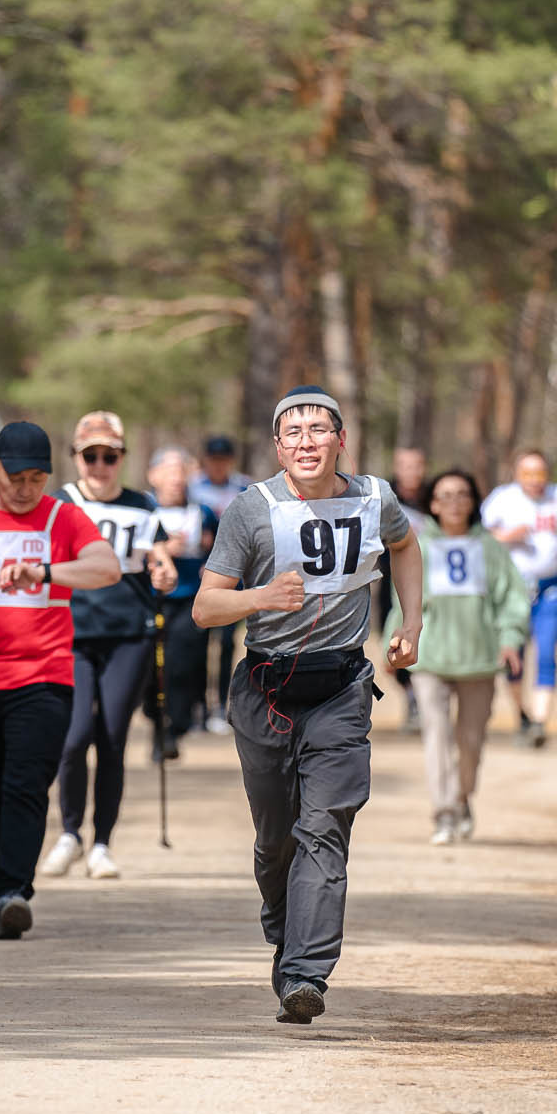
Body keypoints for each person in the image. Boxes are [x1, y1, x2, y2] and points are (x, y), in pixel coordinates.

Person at [194, 386, 422, 1025]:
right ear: (277, 445)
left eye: (319, 430)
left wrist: (412, 620)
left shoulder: (375, 499)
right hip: (266, 691)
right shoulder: (252, 509)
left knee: (325, 825)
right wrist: (261, 598)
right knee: (276, 840)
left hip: (341, 689)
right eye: (293, 433)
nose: (306, 442)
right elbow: (205, 606)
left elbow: (405, 546)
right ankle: (285, 932)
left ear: (340, 440)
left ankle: (305, 974)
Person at [0, 421, 122, 940]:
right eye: (15, 478)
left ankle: (12, 893)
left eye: (37, 478)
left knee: (24, 784)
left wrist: (46, 572)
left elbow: (106, 566)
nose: (26, 489)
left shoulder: (64, 518)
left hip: (44, 675)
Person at [39, 411, 176, 881]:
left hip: (128, 635)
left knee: (112, 739)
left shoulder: (141, 505)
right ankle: (69, 833)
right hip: (71, 634)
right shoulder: (59, 504)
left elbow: (158, 558)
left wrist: (164, 573)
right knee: (73, 736)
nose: (100, 465)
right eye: (90, 456)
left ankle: (101, 843)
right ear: (76, 458)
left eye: (109, 456)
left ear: (121, 458)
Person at [386, 469, 529, 845]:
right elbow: (403, 598)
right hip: (430, 657)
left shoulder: (491, 549)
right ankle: (443, 813)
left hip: (479, 659)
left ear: (473, 502)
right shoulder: (418, 546)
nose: (453, 502)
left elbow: (512, 599)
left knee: (470, 741)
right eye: (445, 495)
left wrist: (510, 638)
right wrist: (393, 639)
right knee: (435, 734)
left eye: (462, 494)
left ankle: (463, 797)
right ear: (432, 503)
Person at [480, 449, 557, 748]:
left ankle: (540, 722)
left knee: (547, 650)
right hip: (513, 589)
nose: (534, 480)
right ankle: (523, 715)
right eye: (527, 474)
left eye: (539, 473)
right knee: (513, 653)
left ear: (548, 474)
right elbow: (480, 536)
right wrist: (508, 536)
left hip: (551, 586)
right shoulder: (502, 499)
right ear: (517, 475)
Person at [146, 447, 218, 761]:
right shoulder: (143, 509)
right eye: (169, 470)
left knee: (182, 663)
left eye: (182, 470)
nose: (177, 478)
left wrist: (208, 554)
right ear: (154, 476)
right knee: (153, 667)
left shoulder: (201, 511)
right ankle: (157, 727)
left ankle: (178, 722)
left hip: (190, 597)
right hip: (152, 599)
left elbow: (219, 547)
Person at [189, 434, 248, 734]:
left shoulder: (243, 487)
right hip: (198, 574)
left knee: (226, 643)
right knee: (197, 644)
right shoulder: (192, 487)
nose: (218, 465)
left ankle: (219, 704)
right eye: (213, 460)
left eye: (223, 460)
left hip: (233, 575)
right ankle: (198, 703)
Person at [379, 446, 431, 732]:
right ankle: (411, 696)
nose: (411, 472)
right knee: (389, 641)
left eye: (416, 466)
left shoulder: (432, 497)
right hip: (388, 578)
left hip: (429, 579)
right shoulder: (385, 495)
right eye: (405, 466)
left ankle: (423, 702)